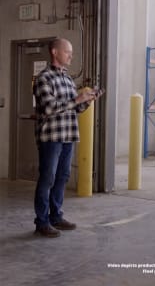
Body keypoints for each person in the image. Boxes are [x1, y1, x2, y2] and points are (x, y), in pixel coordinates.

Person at [32, 38, 103, 238]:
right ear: (55, 52)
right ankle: (42, 222)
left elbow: (75, 108)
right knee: (48, 178)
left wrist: (87, 101)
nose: (71, 56)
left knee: (62, 177)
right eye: (67, 52)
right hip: (51, 137)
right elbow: (49, 108)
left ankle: (56, 217)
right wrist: (76, 99)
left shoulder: (68, 79)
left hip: (68, 135)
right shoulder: (43, 78)